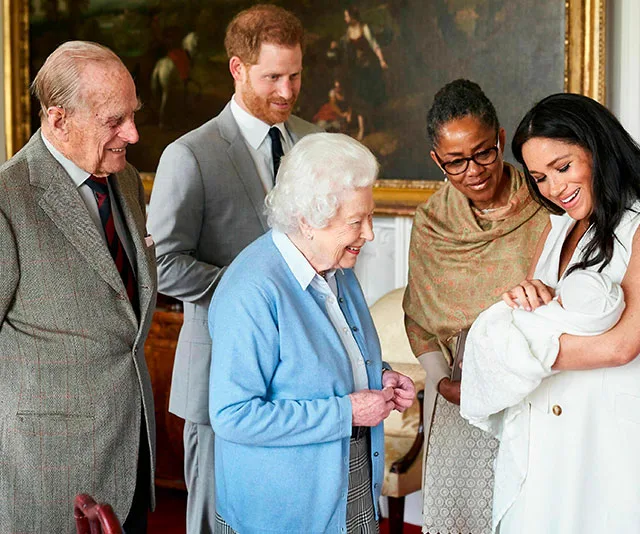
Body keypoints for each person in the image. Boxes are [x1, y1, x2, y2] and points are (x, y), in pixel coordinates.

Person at [146, 5, 320, 532]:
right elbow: (164, 264)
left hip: (300, 382)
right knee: (213, 521)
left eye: (295, 76)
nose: (287, 92)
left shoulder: (313, 142)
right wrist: (255, 289)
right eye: (272, 77)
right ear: (237, 69)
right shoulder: (190, 154)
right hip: (219, 375)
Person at [208, 132, 415, 534]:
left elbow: (325, 360)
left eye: (370, 217)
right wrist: (347, 412)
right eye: (357, 221)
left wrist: (380, 375)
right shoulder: (251, 291)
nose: (369, 233)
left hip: (349, 482)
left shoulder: (337, 267)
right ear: (307, 220)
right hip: (283, 511)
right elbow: (234, 416)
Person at [0, 41, 157, 532]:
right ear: (57, 118)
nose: (131, 133)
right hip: (49, 473)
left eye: (133, 115)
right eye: (115, 121)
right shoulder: (8, 198)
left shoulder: (126, 181)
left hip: (133, 452)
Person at [489, 92, 640, 533]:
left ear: (598, 148)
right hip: (547, 430)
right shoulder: (559, 226)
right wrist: (526, 296)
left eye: (563, 167)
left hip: (607, 435)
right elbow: (545, 309)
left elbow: (622, 345)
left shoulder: (637, 226)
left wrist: (510, 349)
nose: (554, 188)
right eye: (539, 177)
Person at [402, 79, 549, 533]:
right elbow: (419, 318)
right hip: (461, 392)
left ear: (501, 139)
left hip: (539, 384)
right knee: (464, 516)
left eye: (484, 153)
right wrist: (441, 380)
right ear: (436, 160)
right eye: (455, 162)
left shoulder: (547, 204)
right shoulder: (431, 225)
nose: (475, 171)